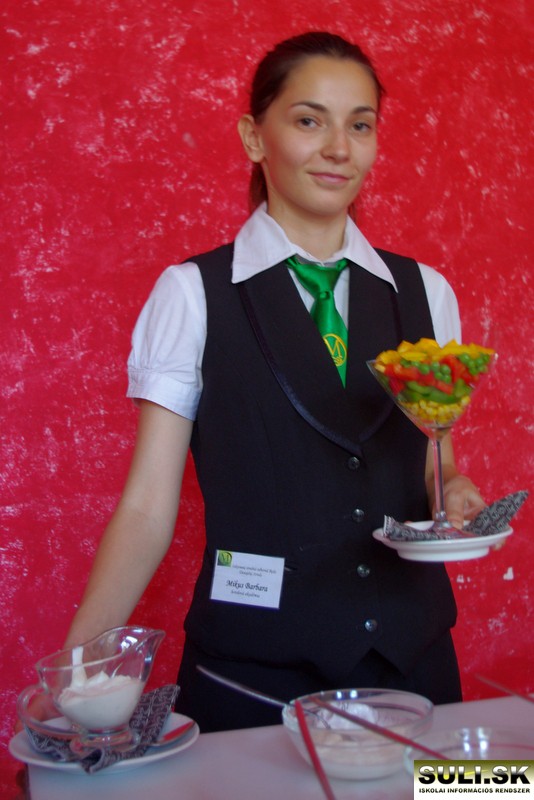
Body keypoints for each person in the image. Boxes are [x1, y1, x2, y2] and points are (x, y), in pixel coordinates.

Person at [62, 31, 486, 732]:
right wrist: (76, 669)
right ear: (254, 138)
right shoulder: (192, 294)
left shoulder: (427, 292)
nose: (339, 149)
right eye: (309, 120)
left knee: (484, 783)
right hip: (252, 685)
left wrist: (456, 490)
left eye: (360, 125)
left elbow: (436, 457)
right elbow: (146, 509)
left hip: (418, 672)